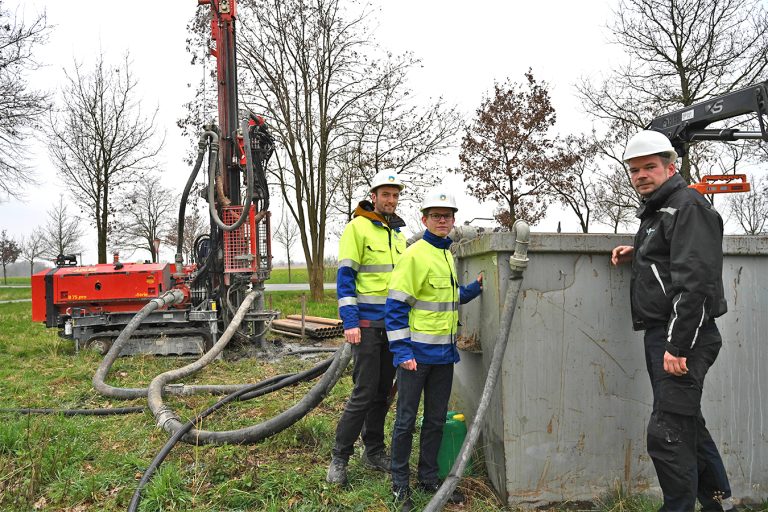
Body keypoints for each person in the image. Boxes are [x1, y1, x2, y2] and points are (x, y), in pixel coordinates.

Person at [611, 130, 733, 512]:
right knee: (686, 422)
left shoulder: (688, 206)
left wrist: (677, 345)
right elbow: (673, 255)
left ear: (670, 166)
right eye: (634, 170)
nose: (641, 175)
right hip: (666, 334)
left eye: (649, 167)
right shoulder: (661, 209)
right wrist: (642, 252)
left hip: (682, 337)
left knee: (667, 432)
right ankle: (719, 503)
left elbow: (695, 282)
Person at [385, 187, 482, 511]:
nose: (443, 220)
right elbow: (396, 306)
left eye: (448, 216)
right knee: (406, 421)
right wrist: (402, 353)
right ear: (425, 219)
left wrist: (474, 289)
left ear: (453, 221)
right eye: (437, 216)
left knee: (436, 420)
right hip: (416, 356)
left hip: (443, 356)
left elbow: (443, 300)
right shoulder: (415, 255)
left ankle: (428, 478)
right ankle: (400, 484)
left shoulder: (446, 253)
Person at [326, 171, 407, 486]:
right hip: (367, 326)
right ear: (373, 196)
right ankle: (339, 458)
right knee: (363, 393)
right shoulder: (356, 228)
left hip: (394, 327)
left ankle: (373, 449)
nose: (390, 200)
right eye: (385, 194)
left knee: (383, 393)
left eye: (395, 194)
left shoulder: (398, 235)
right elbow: (346, 277)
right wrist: (350, 322)